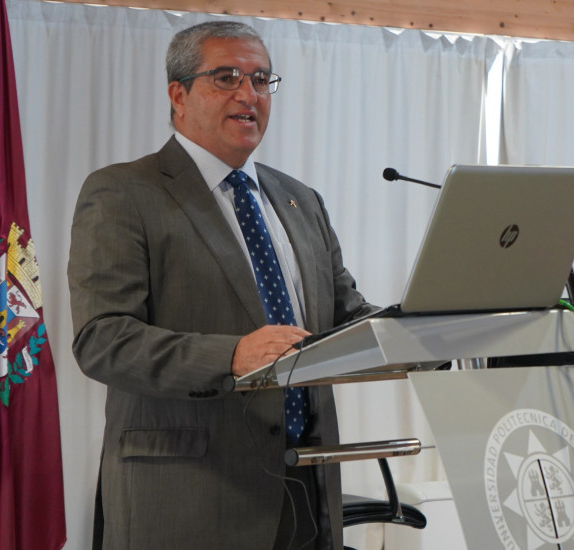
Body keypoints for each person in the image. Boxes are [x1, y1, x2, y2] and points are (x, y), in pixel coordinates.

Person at [68, 21, 376, 549]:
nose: (248, 94)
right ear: (178, 94)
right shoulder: (124, 192)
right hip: (187, 500)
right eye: (227, 77)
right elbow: (103, 340)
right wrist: (232, 354)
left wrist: (428, 322)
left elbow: (347, 317)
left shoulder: (301, 201)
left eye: (261, 79)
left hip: (306, 490)